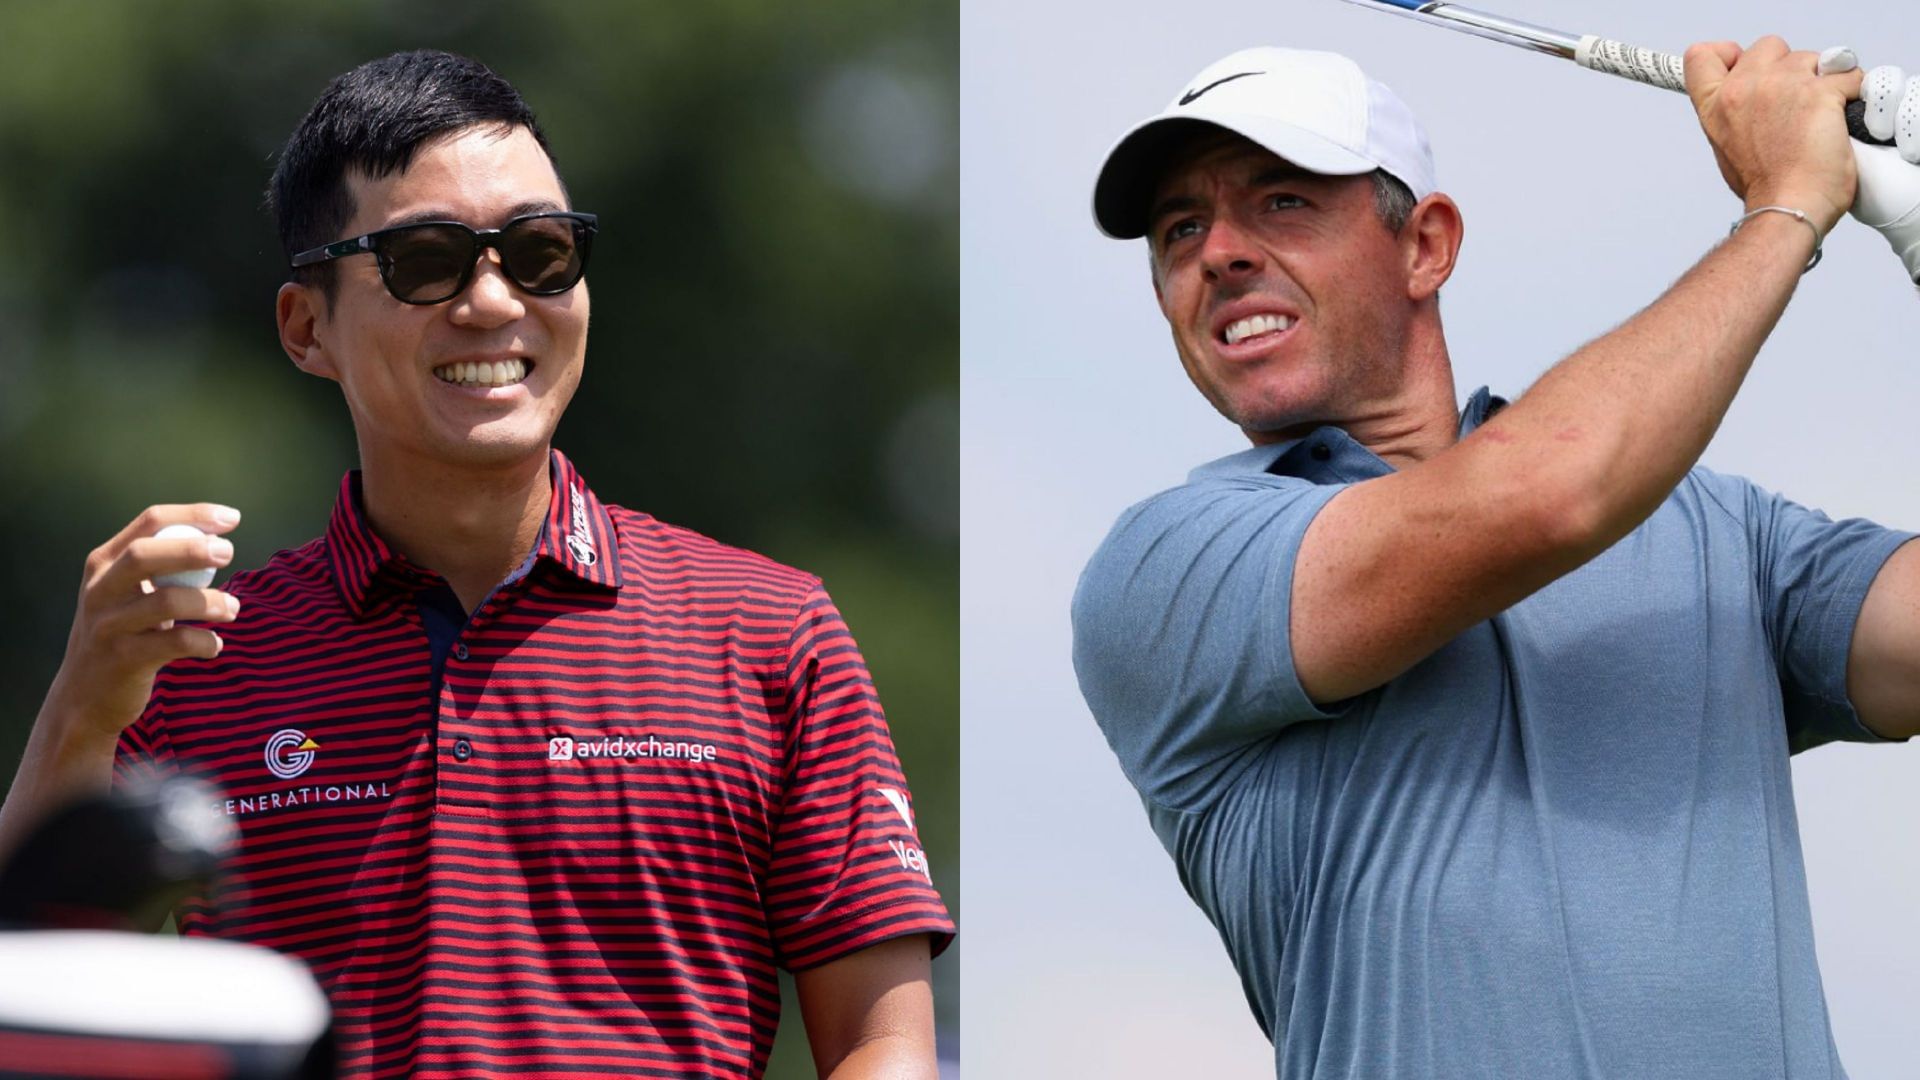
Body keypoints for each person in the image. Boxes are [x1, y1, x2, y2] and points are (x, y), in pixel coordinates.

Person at [0, 50, 951, 1080]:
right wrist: (81, 710)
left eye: (541, 251)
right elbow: (28, 997)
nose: (495, 302)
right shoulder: (192, 655)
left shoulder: (770, 629)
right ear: (305, 326)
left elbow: (880, 1042)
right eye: (427, 261)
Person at [1071, 38, 1920, 1079]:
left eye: (1282, 202)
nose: (1219, 253)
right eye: (1179, 230)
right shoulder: (1163, 568)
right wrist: (1787, 204)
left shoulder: (1720, 533)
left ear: (1425, 244)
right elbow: (1546, 492)